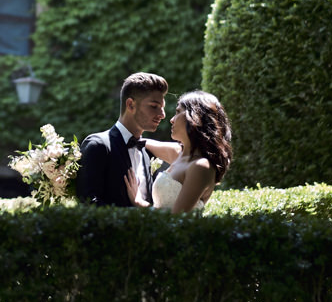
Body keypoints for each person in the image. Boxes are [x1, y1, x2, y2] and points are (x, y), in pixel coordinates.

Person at [75, 72, 168, 207]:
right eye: (154, 106)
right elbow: (88, 205)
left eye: (162, 108)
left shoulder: (145, 154)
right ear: (130, 105)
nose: (162, 115)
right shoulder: (98, 145)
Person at [132, 90, 233, 213]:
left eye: (178, 112)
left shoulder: (200, 166)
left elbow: (177, 218)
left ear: (195, 117)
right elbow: (142, 142)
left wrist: (139, 202)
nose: (172, 120)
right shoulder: (178, 153)